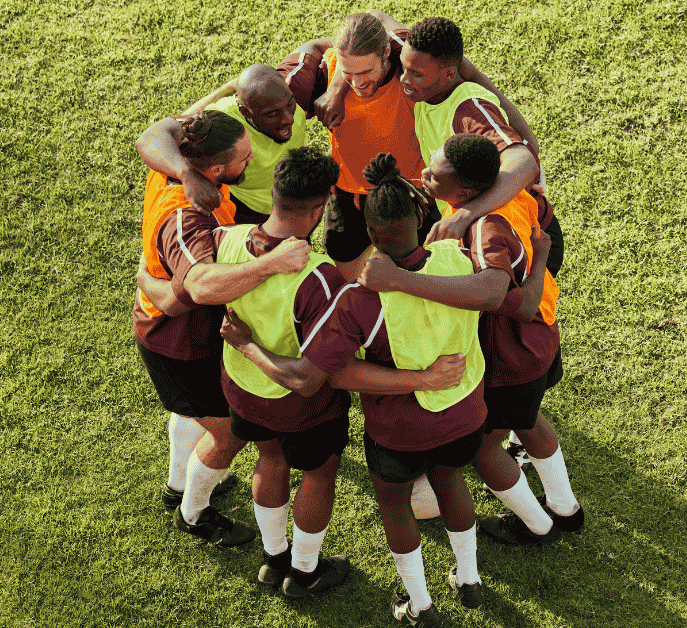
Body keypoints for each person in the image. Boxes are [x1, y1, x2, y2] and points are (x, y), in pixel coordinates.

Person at [223, 152, 541, 623]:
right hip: (465, 414)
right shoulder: (460, 261)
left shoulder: (357, 301)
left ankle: (420, 602)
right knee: (452, 481)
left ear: (370, 237)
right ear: (420, 215)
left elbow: (329, 375)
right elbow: (501, 293)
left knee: (395, 508)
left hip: (397, 433)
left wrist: (246, 345)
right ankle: (468, 578)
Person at [361, 134, 582, 546]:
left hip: (511, 353)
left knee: (481, 448)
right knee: (528, 419)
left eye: (434, 174)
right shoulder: (508, 200)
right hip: (540, 338)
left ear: (464, 191)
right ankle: (566, 508)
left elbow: (495, 295)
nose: (424, 173)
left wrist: (399, 280)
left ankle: (539, 525)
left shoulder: (484, 229)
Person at [134, 110, 319, 548]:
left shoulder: (177, 159)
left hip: (181, 326)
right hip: (176, 339)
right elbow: (197, 286)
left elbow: (154, 131)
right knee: (230, 431)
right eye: (243, 159)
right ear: (216, 169)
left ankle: (180, 484)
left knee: (193, 412)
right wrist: (272, 263)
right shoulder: (185, 217)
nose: (251, 163)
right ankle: (192, 513)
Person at [280, 10, 541, 282]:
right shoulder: (333, 72)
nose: (357, 84)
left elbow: (453, 63)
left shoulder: (412, 68)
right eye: (349, 74)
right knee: (348, 281)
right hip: (349, 197)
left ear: (384, 53)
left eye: (366, 72)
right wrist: (337, 86)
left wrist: (528, 140)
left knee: (422, 273)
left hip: (413, 197)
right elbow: (328, 46)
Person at [397, 16, 563, 277]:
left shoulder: (469, 110)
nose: (404, 79)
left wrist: (464, 216)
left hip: (521, 236)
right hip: (481, 230)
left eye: (416, 74)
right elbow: (377, 17)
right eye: (403, 68)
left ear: (450, 73)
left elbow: (525, 161)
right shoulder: (427, 80)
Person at [134, 65, 308, 224]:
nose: (288, 118)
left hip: (292, 202)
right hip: (246, 210)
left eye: (290, 104)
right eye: (272, 114)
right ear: (245, 112)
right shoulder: (222, 121)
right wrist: (188, 176)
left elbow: (322, 46)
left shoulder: (288, 87)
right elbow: (150, 139)